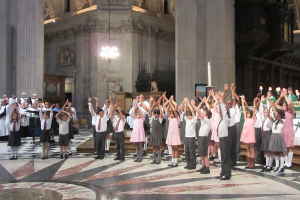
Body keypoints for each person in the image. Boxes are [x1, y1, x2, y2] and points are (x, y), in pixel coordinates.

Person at [276, 92, 295, 168]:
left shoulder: (290, 111)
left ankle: (289, 162)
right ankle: (286, 161)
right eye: (283, 105)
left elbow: (290, 103)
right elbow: (275, 104)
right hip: (284, 130)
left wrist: (285, 96)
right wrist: (280, 97)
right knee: (285, 146)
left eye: (284, 105)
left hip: (289, 130)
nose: (283, 106)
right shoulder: (283, 111)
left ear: (287, 106)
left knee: (290, 147)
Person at [268, 108, 287, 175]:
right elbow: (268, 115)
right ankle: (277, 166)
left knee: (280, 152)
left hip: (279, 136)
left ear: (279, 114)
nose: (274, 113)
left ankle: (281, 167)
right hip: (274, 136)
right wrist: (270, 107)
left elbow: (282, 125)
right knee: (275, 152)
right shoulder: (275, 121)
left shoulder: (282, 120)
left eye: (276, 112)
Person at [165, 96, 182, 167]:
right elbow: (166, 109)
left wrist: (171, 102)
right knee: (172, 148)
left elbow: (174, 110)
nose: (171, 114)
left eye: (172, 114)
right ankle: (172, 161)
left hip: (175, 135)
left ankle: (176, 161)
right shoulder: (170, 119)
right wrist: (168, 101)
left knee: (175, 148)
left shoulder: (177, 119)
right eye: (170, 113)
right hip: (170, 135)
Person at [240, 96, 256, 169]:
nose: (247, 114)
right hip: (246, 135)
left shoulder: (252, 119)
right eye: (247, 113)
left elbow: (254, 110)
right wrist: (242, 101)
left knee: (251, 148)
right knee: (247, 148)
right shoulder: (246, 118)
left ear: (251, 114)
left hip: (251, 136)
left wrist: (254, 103)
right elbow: (244, 109)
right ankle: (248, 163)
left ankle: (252, 163)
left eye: (249, 113)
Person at [182, 99, 197, 170]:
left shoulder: (193, 120)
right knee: (187, 151)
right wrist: (186, 104)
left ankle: (193, 164)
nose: (188, 116)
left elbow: (193, 113)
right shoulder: (187, 119)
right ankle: (188, 163)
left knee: (191, 151)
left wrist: (189, 104)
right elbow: (185, 112)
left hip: (191, 137)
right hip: (186, 137)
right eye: (187, 115)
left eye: (189, 115)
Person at [197, 106, 212, 174]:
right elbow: (199, 114)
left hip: (204, 138)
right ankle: (203, 166)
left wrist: (198, 109)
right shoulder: (203, 120)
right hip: (201, 137)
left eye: (204, 112)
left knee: (205, 154)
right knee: (201, 153)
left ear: (207, 114)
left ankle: (207, 168)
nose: (203, 113)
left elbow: (200, 113)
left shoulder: (208, 120)